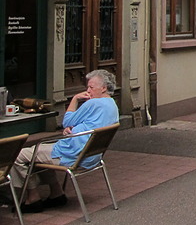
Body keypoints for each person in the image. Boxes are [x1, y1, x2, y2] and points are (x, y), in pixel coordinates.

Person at [12, 69, 120, 213]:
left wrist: (75, 99)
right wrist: (73, 128)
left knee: (20, 154)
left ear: (104, 88)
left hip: (72, 155)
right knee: (40, 150)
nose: (87, 91)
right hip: (91, 156)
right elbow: (88, 123)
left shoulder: (93, 104)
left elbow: (66, 121)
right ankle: (56, 193)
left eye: (91, 87)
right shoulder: (111, 104)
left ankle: (33, 197)